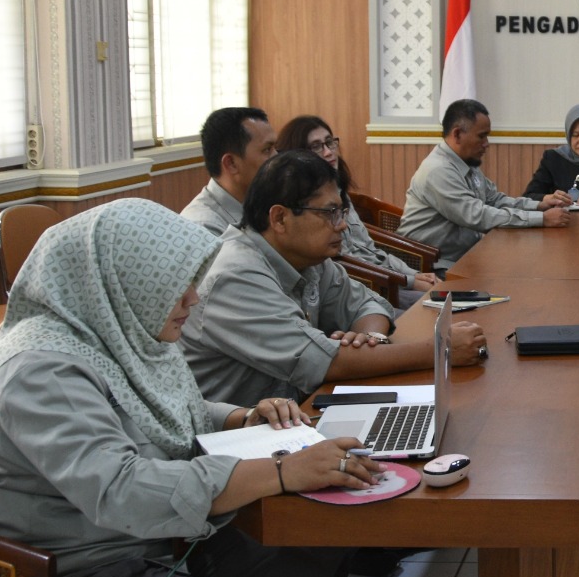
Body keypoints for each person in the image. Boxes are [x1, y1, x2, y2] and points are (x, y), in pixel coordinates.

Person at [0, 199, 383, 577]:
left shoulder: (114, 331)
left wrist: (240, 418)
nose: (191, 299)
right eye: (174, 285)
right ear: (120, 282)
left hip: (146, 546)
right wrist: (277, 472)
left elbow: (164, 409)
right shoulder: (38, 369)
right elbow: (120, 490)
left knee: (297, 575)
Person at [181, 150, 484, 404]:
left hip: (297, 412)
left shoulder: (306, 257)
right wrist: (440, 349)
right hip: (241, 439)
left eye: (341, 212)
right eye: (329, 213)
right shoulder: (235, 274)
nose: (341, 226)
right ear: (280, 218)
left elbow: (369, 303)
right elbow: (323, 362)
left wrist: (369, 337)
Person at [276, 114, 439, 309]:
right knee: (432, 304)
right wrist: (408, 280)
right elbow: (344, 261)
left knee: (443, 295)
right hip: (364, 285)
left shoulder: (338, 191)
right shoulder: (306, 207)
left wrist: (413, 275)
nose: (328, 152)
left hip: (387, 278)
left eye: (330, 142)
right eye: (317, 146)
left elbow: (370, 250)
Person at [400, 98, 572, 270]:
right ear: (458, 134)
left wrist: (539, 205)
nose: (486, 144)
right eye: (481, 136)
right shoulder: (438, 170)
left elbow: (493, 199)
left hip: (465, 256)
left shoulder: (465, 161)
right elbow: (477, 215)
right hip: (431, 265)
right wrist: (542, 219)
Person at [182, 106, 276, 235]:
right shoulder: (203, 228)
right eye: (267, 150)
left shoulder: (267, 202)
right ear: (231, 164)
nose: (277, 157)